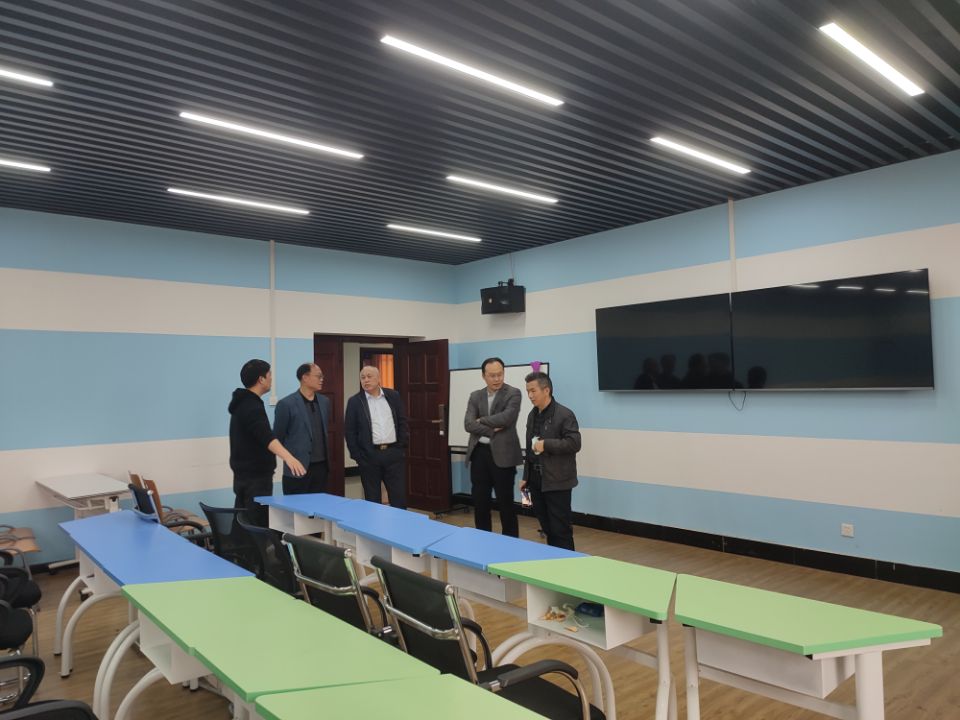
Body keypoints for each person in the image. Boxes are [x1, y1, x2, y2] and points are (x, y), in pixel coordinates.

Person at [228, 359, 305, 525]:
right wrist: (289, 457)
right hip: (255, 479)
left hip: (243, 476)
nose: (271, 378)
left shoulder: (242, 403)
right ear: (261, 379)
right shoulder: (252, 406)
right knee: (255, 523)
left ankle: (241, 542)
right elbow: (266, 437)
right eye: (269, 374)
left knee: (242, 522)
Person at [520, 372, 580, 550]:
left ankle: (567, 564)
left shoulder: (565, 414)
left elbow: (574, 443)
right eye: (528, 391)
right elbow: (530, 449)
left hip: (557, 481)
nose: (530, 395)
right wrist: (526, 476)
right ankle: (553, 561)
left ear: (546, 390)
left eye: (533, 391)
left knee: (560, 529)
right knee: (546, 527)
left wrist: (546, 444)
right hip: (536, 480)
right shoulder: (532, 415)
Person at [464, 357, 523, 537]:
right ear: (484, 376)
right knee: (480, 502)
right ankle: (483, 540)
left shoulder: (513, 393)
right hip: (479, 454)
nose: (497, 379)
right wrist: (491, 429)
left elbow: (506, 418)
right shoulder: (475, 396)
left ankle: (510, 542)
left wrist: (481, 420)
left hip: (504, 455)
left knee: (506, 504)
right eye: (492, 375)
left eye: (500, 374)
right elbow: (468, 424)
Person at [344, 365, 409, 509]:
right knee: (372, 499)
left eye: (369, 376)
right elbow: (350, 431)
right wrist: (358, 456)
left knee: (399, 497)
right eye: (363, 377)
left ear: (379, 378)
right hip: (369, 456)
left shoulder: (393, 396)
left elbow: (402, 421)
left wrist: (401, 446)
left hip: (393, 453)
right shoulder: (355, 401)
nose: (366, 380)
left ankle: (400, 522)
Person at [273, 363, 331, 495]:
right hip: (297, 469)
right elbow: (277, 437)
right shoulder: (286, 404)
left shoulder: (324, 401)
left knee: (319, 506)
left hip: (321, 467)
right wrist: (289, 458)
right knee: (296, 506)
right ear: (305, 377)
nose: (322, 379)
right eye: (318, 376)